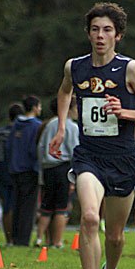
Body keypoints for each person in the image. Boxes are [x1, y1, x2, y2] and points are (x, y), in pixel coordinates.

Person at [48, 2, 135, 269]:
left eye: (107, 30)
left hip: (123, 158)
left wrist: (125, 113)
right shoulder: (75, 67)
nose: (101, 36)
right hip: (89, 155)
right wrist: (60, 127)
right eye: (95, 29)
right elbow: (64, 92)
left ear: (119, 35)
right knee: (87, 217)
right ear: (88, 33)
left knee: (114, 236)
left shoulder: (130, 69)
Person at [36, 98, 79, 248]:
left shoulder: (49, 124)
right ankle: (57, 241)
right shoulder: (72, 126)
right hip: (63, 168)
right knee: (62, 207)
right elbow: (75, 150)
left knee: (47, 205)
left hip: (48, 168)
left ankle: (40, 238)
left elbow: (41, 147)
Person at [7, 95, 42, 246]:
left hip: (14, 169)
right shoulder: (36, 126)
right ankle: (23, 239)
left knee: (17, 205)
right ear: (34, 108)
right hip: (29, 169)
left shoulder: (16, 125)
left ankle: (14, 237)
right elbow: (35, 149)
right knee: (28, 207)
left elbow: (9, 146)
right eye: (39, 106)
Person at [0, 103, 24, 246]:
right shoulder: (22, 132)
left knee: (6, 206)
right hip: (18, 170)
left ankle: (8, 239)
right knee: (19, 206)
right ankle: (19, 237)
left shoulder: (0, 132)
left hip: (2, 170)